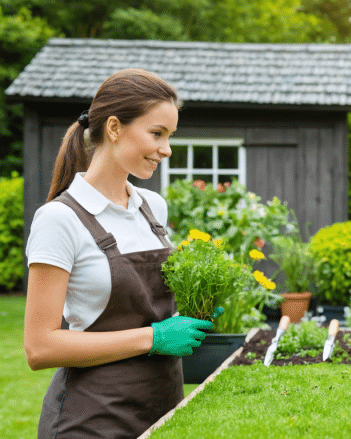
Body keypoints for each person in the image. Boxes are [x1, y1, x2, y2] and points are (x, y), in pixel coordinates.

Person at [24, 69, 214, 439]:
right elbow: (40, 346)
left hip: (162, 413)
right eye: (157, 134)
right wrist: (153, 338)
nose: (167, 149)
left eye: (170, 136)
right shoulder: (60, 219)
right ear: (114, 128)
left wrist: (195, 312)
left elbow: (149, 307)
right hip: (92, 422)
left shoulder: (152, 208)